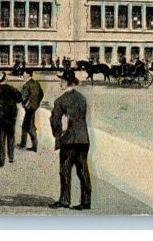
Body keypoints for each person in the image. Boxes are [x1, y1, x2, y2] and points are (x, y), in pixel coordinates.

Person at [50, 69, 92, 210]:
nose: (60, 83)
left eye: (61, 81)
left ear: (65, 82)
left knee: (65, 170)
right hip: (83, 138)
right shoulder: (82, 98)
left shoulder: (60, 100)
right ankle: (86, 201)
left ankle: (64, 200)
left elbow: (55, 120)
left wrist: (58, 135)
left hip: (69, 140)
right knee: (83, 170)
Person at [0, 72, 23, 167]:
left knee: (1, 138)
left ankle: (1, 160)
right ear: (6, 78)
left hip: (2, 116)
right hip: (12, 116)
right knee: (11, 135)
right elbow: (20, 98)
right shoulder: (11, 88)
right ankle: (11, 156)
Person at [19, 69, 44, 151]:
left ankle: (31, 145)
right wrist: (37, 103)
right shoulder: (37, 83)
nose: (23, 75)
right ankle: (26, 144)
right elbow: (41, 94)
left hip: (28, 109)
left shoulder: (26, 85)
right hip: (33, 108)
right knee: (27, 126)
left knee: (29, 127)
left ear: (28, 74)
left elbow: (23, 97)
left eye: (24, 73)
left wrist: (25, 104)